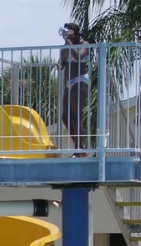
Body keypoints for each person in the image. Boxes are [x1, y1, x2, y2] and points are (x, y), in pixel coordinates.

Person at [59, 22, 90, 157]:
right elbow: (60, 65)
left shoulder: (85, 44)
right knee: (65, 117)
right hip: (69, 83)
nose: (68, 37)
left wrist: (69, 44)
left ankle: (79, 149)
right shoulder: (67, 47)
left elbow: (79, 56)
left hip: (81, 81)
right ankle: (80, 147)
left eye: (70, 34)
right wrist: (65, 49)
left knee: (77, 115)